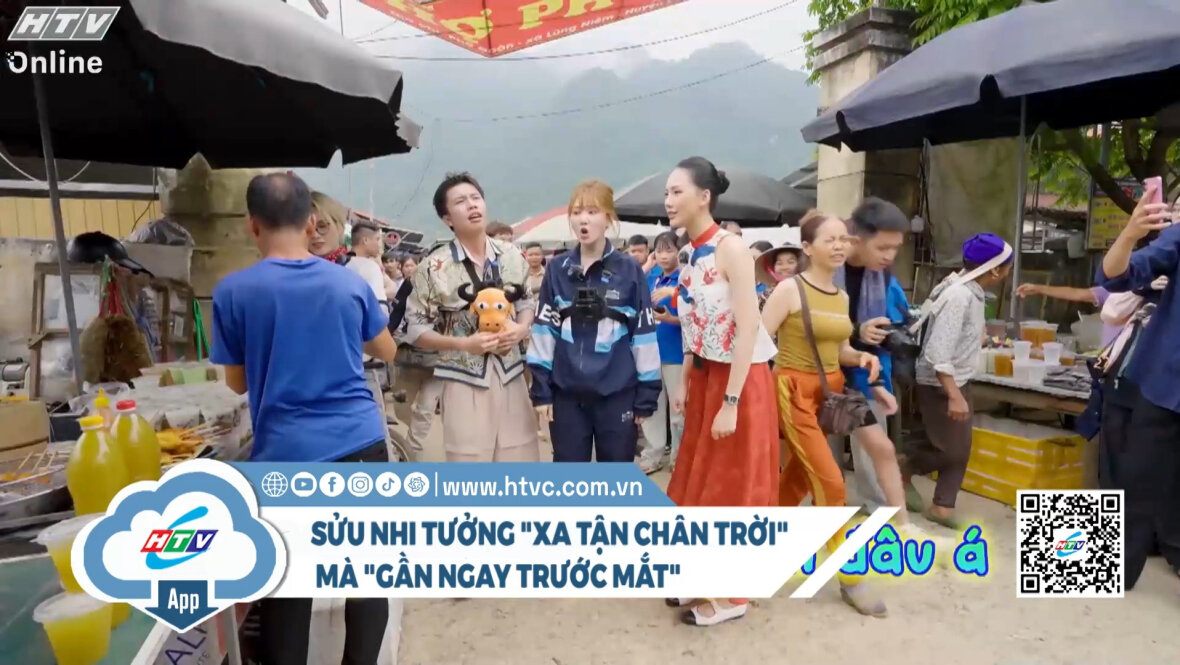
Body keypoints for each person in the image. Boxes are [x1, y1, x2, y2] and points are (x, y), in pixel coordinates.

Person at [210, 173, 396, 665]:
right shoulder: (348, 283)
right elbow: (387, 350)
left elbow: (236, 383)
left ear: (252, 225)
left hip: (286, 454)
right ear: (312, 222)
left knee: (289, 588)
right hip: (359, 444)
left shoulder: (232, 292)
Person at [662, 157, 779, 627]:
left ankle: (732, 595)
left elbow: (748, 325)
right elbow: (694, 322)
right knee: (699, 475)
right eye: (667, 193)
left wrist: (731, 401)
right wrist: (686, 380)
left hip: (740, 380)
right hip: (708, 376)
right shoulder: (690, 255)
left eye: (677, 191)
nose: (668, 201)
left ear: (704, 197)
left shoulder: (732, 249)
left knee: (731, 482)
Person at [760, 210, 886, 618]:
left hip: (827, 395)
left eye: (843, 239)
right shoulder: (789, 290)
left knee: (800, 477)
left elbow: (839, 349)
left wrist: (861, 356)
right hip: (793, 391)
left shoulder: (841, 295)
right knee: (831, 482)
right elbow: (757, 342)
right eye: (829, 239)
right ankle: (852, 577)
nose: (839, 246)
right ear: (807, 248)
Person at [403, 172, 539, 462]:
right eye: (461, 202)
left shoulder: (512, 254)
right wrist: (463, 344)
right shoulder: (433, 267)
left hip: (512, 373)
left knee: (521, 459)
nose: (472, 205)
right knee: (469, 464)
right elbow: (414, 328)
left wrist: (521, 327)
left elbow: (527, 300)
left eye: (476, 198)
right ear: (447, 218)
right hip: (462, 378)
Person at [527, 180, 661, 462]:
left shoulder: (629, 270)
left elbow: (644, 332)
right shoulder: (557, 269)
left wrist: (647, 393)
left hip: (617, 394)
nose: (583, 220)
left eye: (592, 211)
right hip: (566, 395)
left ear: (609, 218)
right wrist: (541, 391)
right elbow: (544, 330)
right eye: (576, 213)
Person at [1097, 181, 1180, 587]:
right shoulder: (1178, 240)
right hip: (1166, 385)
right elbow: (1116, 277)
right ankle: (1108, 568)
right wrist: (1130, 233)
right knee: (1135, 480)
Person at [903, 233, 1013, 529]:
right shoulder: (959, 296)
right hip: (941, 383)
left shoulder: (970, 291)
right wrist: (953, 394)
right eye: (1008, 266)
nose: (1008, 272)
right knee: (952, 449)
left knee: (951, 444)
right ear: (995, 270)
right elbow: (938, 352)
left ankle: (942, 505)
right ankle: (902, 469)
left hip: (958, 378)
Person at [835, 198, 917, 527]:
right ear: (857, 240)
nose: (890, 256)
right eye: (883, 247)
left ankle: (884, 513)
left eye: (895, 248)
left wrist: (879, 378)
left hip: (864, 368)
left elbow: (881, 325)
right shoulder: (827, 267)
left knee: (877, 444)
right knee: (824, 450)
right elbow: (810, 323)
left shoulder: (880, 276)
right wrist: (857, 330)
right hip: (820, 368)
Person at [637, 231, 684, 473]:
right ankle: (652, 454)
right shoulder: (652, 277)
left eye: (669, 250)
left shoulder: (685, 278)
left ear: (679, 251)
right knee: (652, 406)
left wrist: (671, 311)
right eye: (659, 251)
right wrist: (647, 265)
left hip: (676, 353)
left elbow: (695, 314)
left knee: (678, 410)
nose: (664, 256)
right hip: (649, 351)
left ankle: (679, 458)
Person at [391, 254, 440, 460]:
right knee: (400, 405)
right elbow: (396, 312)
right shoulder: (410, 283)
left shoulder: (453, 286)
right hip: (411, 357)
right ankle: (413, 438)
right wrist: (386, 336)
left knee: (426, 409)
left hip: (440, 361)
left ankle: (411, 449)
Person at [347, 221, 390, 305]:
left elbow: (392, 288)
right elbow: (381, 305)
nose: (379, 245)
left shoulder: (341, 263)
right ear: (365, 240)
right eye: (377, 239)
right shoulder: (370, 267)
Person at [309, 191, 349, 263]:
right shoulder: (295, 267)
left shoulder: (358, 267)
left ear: (339, 227)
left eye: (322, 226)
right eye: (308, 228)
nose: (315, 235)